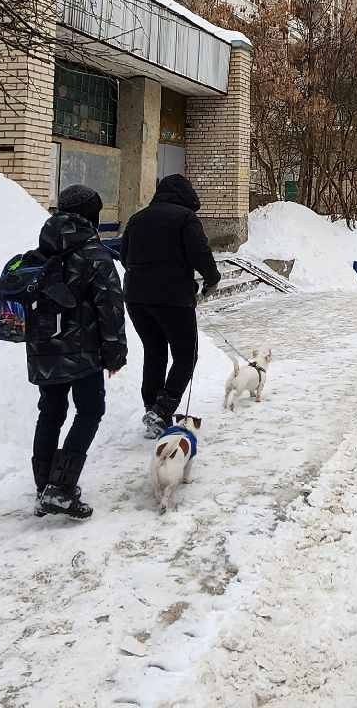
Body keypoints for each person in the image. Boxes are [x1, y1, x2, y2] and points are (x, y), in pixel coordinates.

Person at [28, 185, 128, 520]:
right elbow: (110, 308)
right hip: (82, 353)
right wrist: (115, 353)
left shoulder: (44, 247)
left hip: (43, 346)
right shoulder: (94, 254)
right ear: (92, 214)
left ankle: (44, 487)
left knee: (50, 413)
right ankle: (60, 489)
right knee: (90, 410)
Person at [121, 174, 221, 438]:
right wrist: (212, 280)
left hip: (136, 299)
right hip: (173, 299)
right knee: (186, 355)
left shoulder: (137, 218)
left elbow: (123, 255)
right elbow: (201, 253)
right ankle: (163, 410)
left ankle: (151, 406)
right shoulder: (186, 218)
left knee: (154, 351)